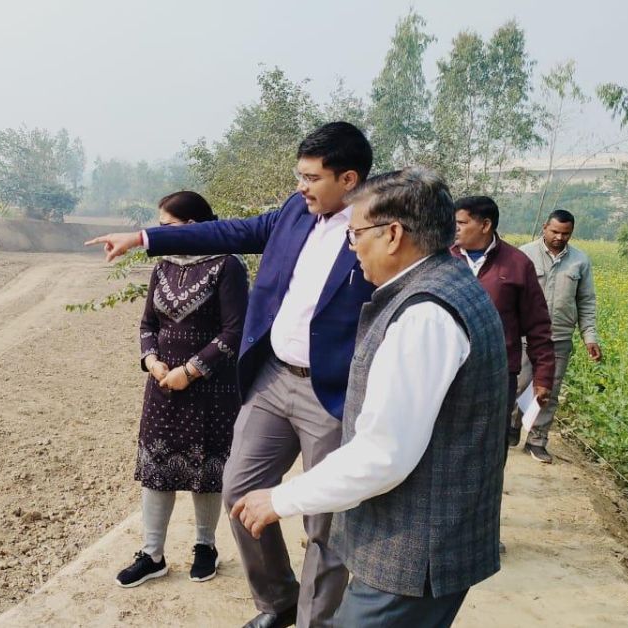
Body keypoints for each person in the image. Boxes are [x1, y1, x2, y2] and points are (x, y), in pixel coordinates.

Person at [88, 122, 376, 628]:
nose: (301, 187)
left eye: (311, 177)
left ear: (348, 178)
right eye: (299, 176)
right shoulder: (294, 211)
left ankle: (317, 620)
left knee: (325, 517)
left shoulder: (377, 225)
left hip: (329, 391)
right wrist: (142, 237)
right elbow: (229, 230)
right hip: (271, 380)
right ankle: (278, 603)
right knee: (240, 491)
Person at [231, 167, 509, 628]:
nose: (351, 245)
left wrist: (281, 499)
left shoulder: (424, 316)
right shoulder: (450, 283)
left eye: (356, 233)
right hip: (430, 543)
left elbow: (383, 455)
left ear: (393, 234)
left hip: (414, 553)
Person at [115, 191, 249, 588]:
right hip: (162, 386)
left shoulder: (228, 265)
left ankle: (205, 547)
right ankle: (152, 554)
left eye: (167, 226)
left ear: (191, 227)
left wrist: (190, 371)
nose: (160, 233)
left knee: (206, 467)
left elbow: (234, 331)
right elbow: (147, 325)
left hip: (211, 387)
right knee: (156, 468)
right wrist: (153, 362)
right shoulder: (163, 267)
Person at [451, 195, 556, 461]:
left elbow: (538, 325)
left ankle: (483, 501)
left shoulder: (517, 264)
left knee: (490, 448)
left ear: (485, 225)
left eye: (462, 223)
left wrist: (543, 377)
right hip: (447, 370)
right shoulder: (443, 258)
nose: (456, 229)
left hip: (496, 374)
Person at [515, 209, 602, 463]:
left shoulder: (580, 261)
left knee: (548, 392)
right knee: (517, 385)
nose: (559, 237)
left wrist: (590, 337)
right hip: (525, 336)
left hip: (559, 338)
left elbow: (586, 301)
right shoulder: (524, 255)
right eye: (555, 231)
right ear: (545, 227)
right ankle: (509, 429)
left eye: (566, 234)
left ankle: (536, 441)